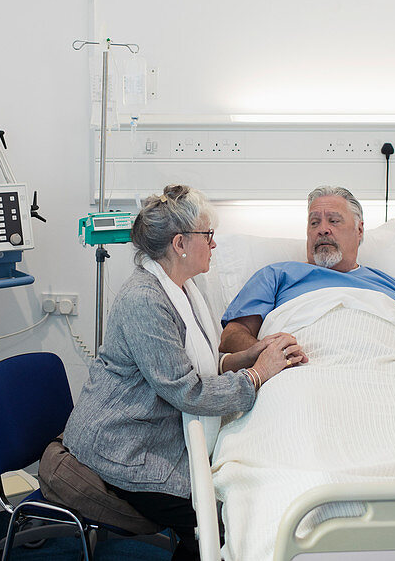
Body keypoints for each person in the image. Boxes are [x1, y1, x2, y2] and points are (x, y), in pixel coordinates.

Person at [62, 184, 304, 560]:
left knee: (229, 500)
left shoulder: (187, 288)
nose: (214, 244)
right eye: (208, 235)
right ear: (179, 244)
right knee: (215, 521)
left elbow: (205, 363)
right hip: (124, 443)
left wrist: (255, 353)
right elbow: (188, 391)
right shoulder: (145, 300)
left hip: (155, 429)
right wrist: (257, 375)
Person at [218, 184, 395, 376]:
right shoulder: (277, 275)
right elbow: (231, 336)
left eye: (333, 221)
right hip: (304, 378)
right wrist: (265, 351)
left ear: (359, 230)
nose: (322, 229)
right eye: (314, 223)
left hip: (394, 379)